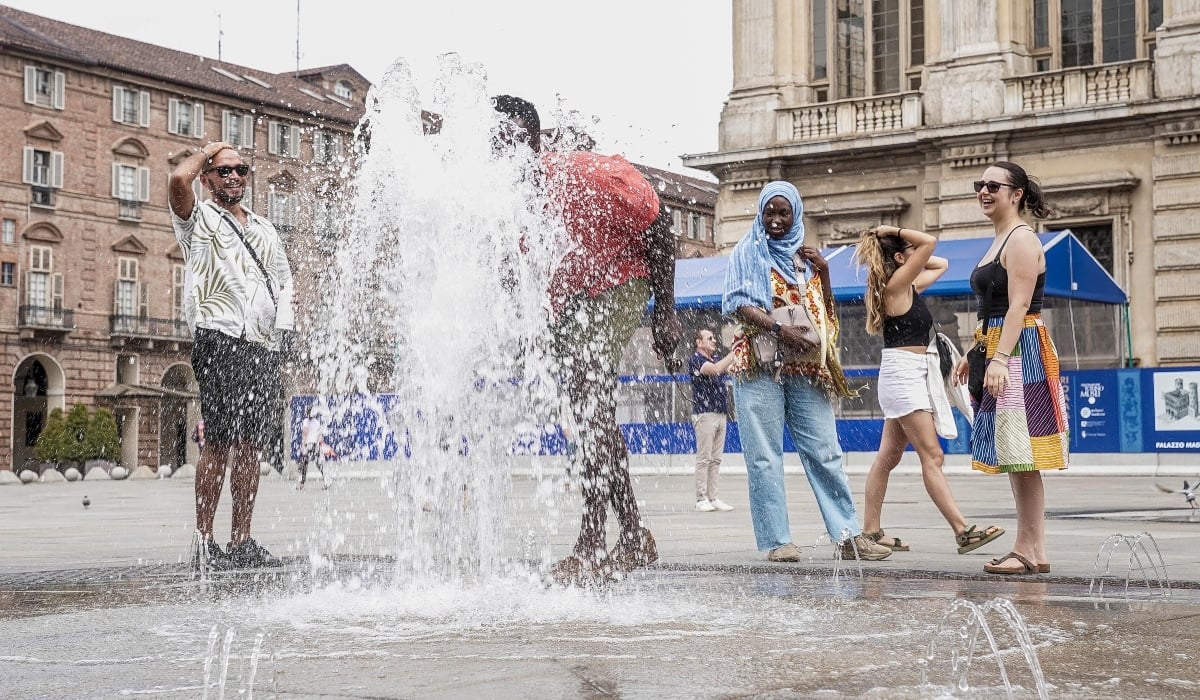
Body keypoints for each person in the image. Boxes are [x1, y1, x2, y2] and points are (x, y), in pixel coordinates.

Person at [492, 95, 682, 585]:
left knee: (592, 409)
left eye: (503, 139)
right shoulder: (504, 201)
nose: (494, 151)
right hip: (571, 300)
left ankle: (593, 540)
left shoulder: (590, 176)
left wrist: (665, 312)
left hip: (621, 281)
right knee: (590, 417)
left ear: (531, 141)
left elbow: (661, 226)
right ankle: (632, 535)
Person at [721, 180, 891, 563]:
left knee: (825, 450)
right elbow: (738, 305)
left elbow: (826, 316)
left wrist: (826, 274)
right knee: (764, 456)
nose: (776, 220)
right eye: (770, 212)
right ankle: (778, 541)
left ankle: (848, 536)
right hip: (759, 366)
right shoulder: (747, 253)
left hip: (805, 369)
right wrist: (779, 330)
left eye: (784, 212)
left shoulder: (804, 259)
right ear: (760, 213)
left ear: (796, 214)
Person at [169, 141, 295, 571]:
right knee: (220, 442)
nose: (234, 176)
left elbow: (283, 284)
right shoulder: (196, 219)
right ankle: (205, 543)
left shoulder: (265, 228)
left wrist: (286, 334)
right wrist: (210, 150)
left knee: (250, 445)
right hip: (219, 339)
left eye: (241, 169)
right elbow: (175, 179)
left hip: (262, 345)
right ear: (208, 177)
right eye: (223, 171)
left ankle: (241, 541)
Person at [854, 225, 1005, 556]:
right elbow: (931, 243)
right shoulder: (895, 285)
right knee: (932, 455)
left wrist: (901, 252)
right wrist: (893, 233)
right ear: (899, 258)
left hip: (908, 375)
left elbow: (941, 264)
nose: (916, 256)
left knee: (888, 457)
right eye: (908, 253)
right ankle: (962, 531)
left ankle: (870, 531)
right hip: (904, 377)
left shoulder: (902, 285)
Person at [952, 161, 1068, 575]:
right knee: (1017, 453)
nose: (984, 191)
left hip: (1021, 352)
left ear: (1016, 193)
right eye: (979, 185)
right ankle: (1034, 550)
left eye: (993, 186)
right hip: (1002, 345)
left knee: (1023, 453)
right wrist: (975, 350)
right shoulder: (1000, 238)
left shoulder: (1020, 239)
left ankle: (1026, 548)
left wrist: (999, 357)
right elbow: (995, 309)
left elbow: (1019, 305)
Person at [688, 329, 734, 512]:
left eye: (714, 338)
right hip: (705, 413)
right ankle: (701, 498)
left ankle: (713, 497)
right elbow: (715, 370)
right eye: (710, 338)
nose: (714, 341)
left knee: (716, 459)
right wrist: (734, 352)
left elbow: (727, 368)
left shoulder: (715, 360)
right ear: (699, 342)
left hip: (720, 413)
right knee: (704, 458)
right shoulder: (696, 360)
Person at [298, 408, 329, 490]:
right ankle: (326, 480)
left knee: (304, 464)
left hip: (308, 444)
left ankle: (302, 484)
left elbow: (305, 433)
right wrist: (318, 443)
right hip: (315, 445)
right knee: (318, 463)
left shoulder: (306, 421)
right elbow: (320, 435)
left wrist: (303, 445)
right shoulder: (316, 422)